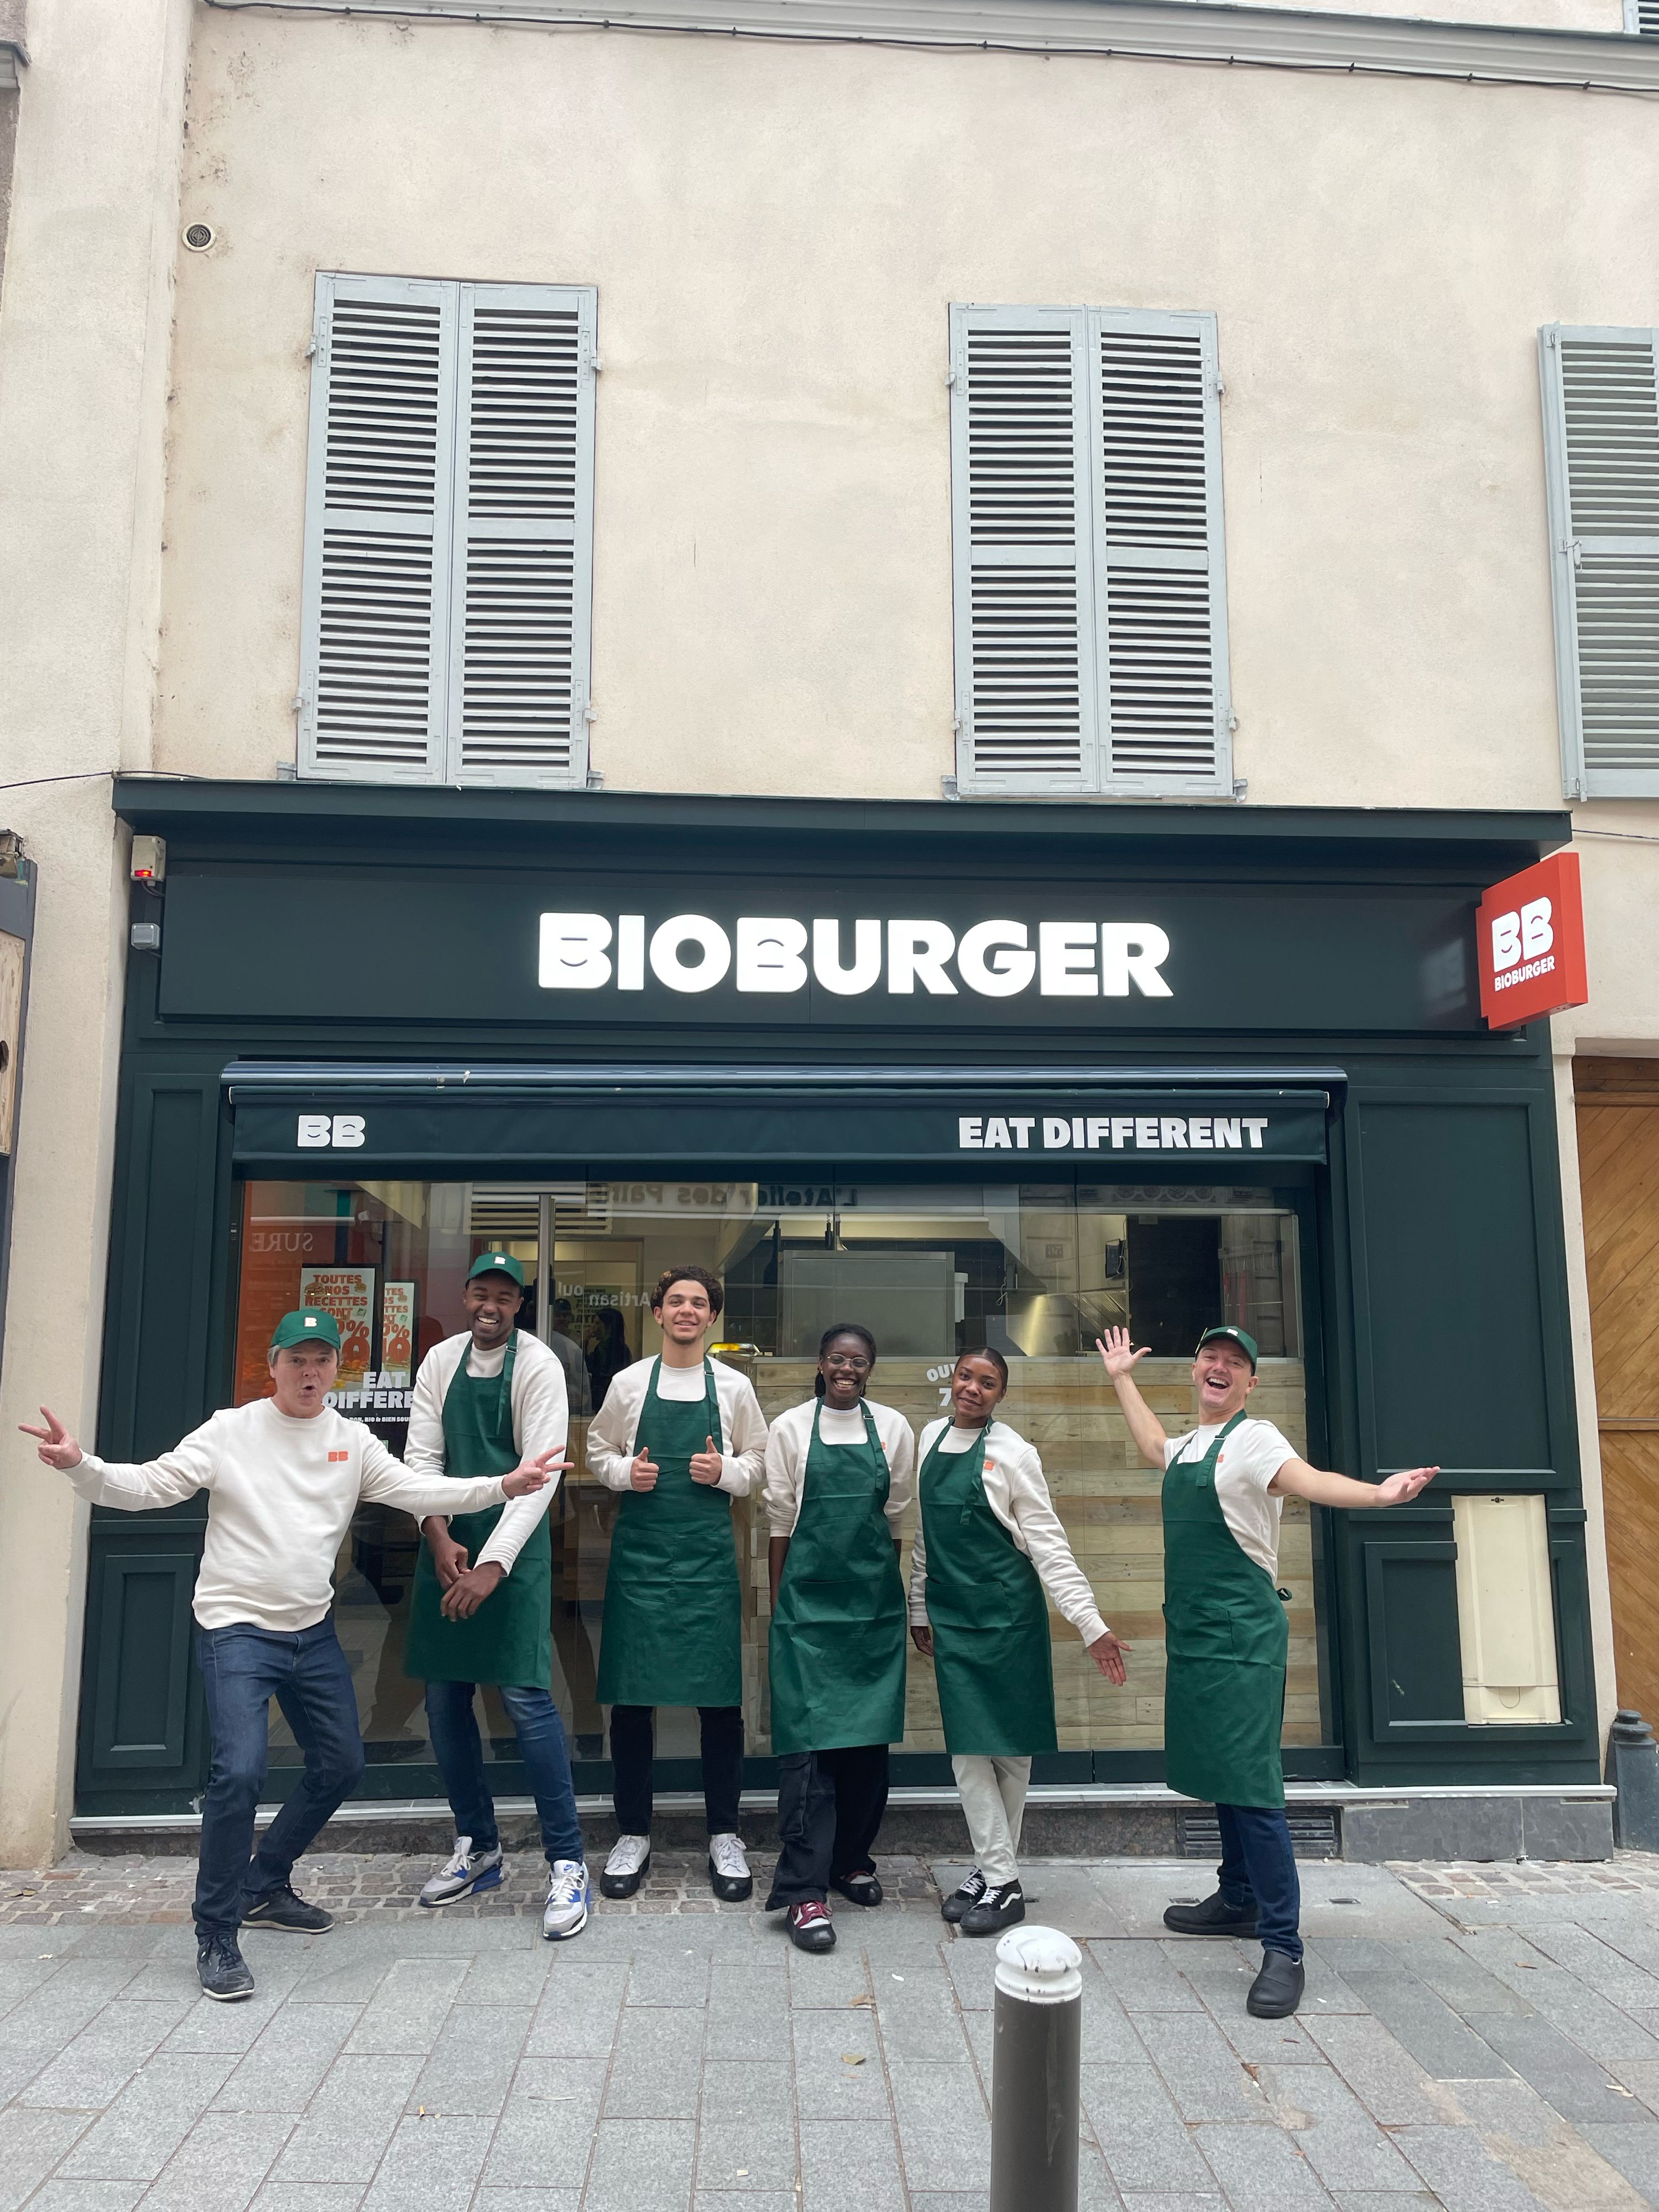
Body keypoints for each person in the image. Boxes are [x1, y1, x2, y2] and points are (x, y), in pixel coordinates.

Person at [21, 1309, 557, 2002]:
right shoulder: (230, 1430)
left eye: (322, 1361)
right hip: (237, 1631)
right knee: (241, 1772)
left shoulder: (350, 1440)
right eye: (297, 1360)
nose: (309, 1372)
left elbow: (416, 1489)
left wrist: (502, 1486)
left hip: (311, 1631)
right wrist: (81, 1466)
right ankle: (216, 1931)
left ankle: (264, 1880)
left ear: (337, 1370)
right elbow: (151, 1485)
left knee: (341, 1764)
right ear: (271, 1365)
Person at [1098, 1323, 1438, 2018]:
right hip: (1198, 1634)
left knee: (1252, 1785)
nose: (1219, 1367)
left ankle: (1284, 1946)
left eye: (1235, 1362)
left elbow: (1312, 1481)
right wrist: (1122, 1379)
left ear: (1250, 1382)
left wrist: (1379, 1496)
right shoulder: (1189, 1446)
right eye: (1211, 1357)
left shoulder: (1257, 1439)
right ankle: (1239, 1897)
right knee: (1222, 1772)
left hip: (1244, 1638)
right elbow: (1154, 1445)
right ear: (1195, 1370)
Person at [403, 1252, 589, 1940]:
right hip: (447, 1538)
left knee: (526, 1699)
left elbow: (540, 1475)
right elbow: (421, 1460)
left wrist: (492, 1564)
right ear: (465, 1295)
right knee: (444, 1698)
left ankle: (567, 1860)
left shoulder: (539, 1364)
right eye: (481, 1293)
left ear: (519, 1305)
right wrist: (436, 1532)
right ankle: (478, 1846)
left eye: (504, 1298)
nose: (491, 1306)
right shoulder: (439, 1361)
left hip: (514, 1544)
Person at [910, 1348, 1128, 1936]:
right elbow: (926, 1535)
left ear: (1001, 1395)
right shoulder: (929, 1439)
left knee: (1009, 1754)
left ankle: (997, 1878)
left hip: (1009, 1619)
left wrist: (1090, 1623)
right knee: (968, 1752)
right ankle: (998, 1874)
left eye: (987, 1383)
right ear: (953, 1380)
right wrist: (918, 1603)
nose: (972, 1388)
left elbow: (1048, 1544)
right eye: (965, 1376)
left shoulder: (1014, 1453)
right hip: (955, 1617)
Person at [587, 1267, 769, 1902]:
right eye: (675, 1301)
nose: (687, 1310)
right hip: (640, 1564)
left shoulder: (736, 1387)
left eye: (698, 1302)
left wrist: (725, 1472)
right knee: (632, 1701)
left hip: (708, 1566)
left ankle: (725, 1833)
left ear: (711, 1316)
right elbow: (598, 1449)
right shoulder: (629, 1383)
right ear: (659, 1313)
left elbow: (759, 1463)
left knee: (719, 1703)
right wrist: (623, 1475)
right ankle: (633, 1832)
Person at [762, 1324, 913, 1953]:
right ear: (821, 1364)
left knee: (867, 1752)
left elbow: (896, 1520)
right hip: (807, 1616)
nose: (846, 1369)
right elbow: (780, 1522)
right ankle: (804, 1892)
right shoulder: (790, 1428)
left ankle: (851, 1861)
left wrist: (886, 1600)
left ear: (870, 1368)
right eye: (836, 1359)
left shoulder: (894, 1429)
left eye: (858, 1361)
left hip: (871, 1615)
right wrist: (782, 1608)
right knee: (809, 1756)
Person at [547, 1297, 591, 1419]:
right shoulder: (545, 1337)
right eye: (558, 1315)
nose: (562, 1319)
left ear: (571, 1317)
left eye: (566, 1315)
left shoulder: (577, 1340)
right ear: (552, 1317)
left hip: (573, 1397)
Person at [585, 1307, 631, 1412]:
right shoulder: (622, 1349)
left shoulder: (605, 1350)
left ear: (609, 1327)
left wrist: (584, 1343)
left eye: (597, 1324)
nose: (593, 1328)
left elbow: (588, 1367)